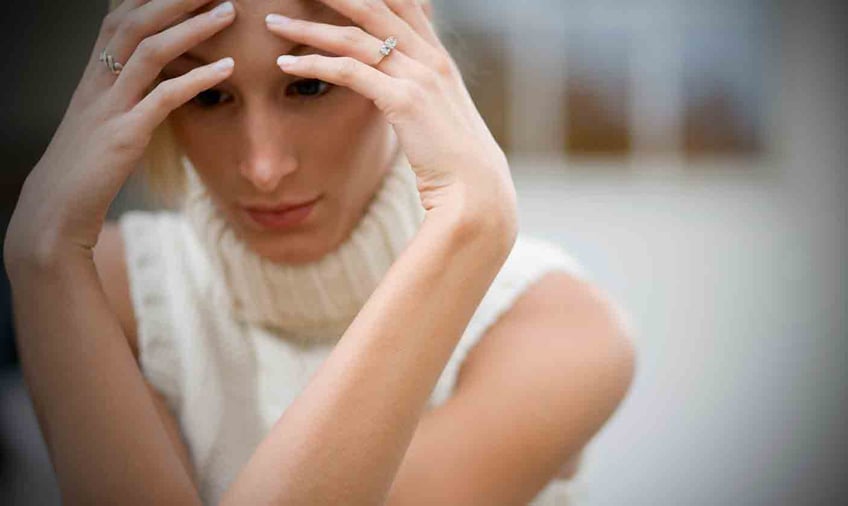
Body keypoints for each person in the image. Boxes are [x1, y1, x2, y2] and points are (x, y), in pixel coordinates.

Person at [3, 0, 636, 504]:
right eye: (207, 95)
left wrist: (468, 229)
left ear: (407, 63)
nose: (264, 168)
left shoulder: (559, 330)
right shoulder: (108, 288)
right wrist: (44, 253)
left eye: (309, 85)